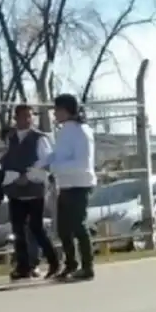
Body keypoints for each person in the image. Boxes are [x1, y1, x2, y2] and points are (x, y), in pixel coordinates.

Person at [32, 94, 97, 281]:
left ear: (67, 110)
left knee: (78, 225)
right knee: (63, 228)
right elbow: (57, 155)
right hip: (65, 184)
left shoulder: (81, 131)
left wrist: (53, 168)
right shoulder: (63, 131)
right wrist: (40, 164)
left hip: (80, 183)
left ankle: (87, 267)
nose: (55, 114)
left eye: (57, 110)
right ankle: (71, 264)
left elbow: (82, 163)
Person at [0, 105, 60, 280]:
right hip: (15, 191)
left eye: (30, 116)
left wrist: (27, 175)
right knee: (18, 230)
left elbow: (46, 161)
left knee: (36, 228)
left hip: (34, 189)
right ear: (16, 118)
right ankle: (23, 266)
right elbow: (7, 161)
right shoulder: (12, 138)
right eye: (24, 116)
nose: (28, 120)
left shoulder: (39, 138)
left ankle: (54, 262)